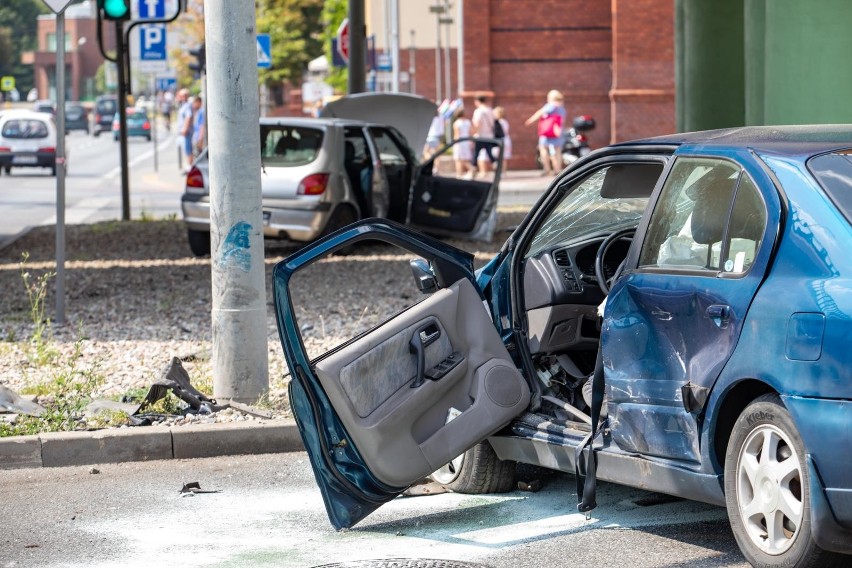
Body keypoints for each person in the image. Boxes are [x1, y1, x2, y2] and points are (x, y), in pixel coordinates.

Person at [525, 89, 567, 176]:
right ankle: (557, 169)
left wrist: (530, 120)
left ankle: (547, 169)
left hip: (547, 132)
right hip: (557, 132)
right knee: (557, 151)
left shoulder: (550, 105)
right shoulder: (562, 107)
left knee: (543, 148)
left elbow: (540, 112)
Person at [471, 95, 497, 178]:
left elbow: (477, 124)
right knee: (490, 154)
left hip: (481, 136)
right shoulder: (490, 110)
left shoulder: (478, 111)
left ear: (477, 101)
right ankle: (497, 167)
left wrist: (473, 133)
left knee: (476, 154)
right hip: (489, 136)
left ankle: (473, 171)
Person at [451, 109, 476, 179]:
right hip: (467, 141)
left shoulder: (457, 123)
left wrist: (454, 143)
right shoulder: (468, 122)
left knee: (458, 159)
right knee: (466, 158)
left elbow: (457, 135)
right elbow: (472, 132)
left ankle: (460, 173)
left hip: (460, 142)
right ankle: (469, 172)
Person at [176, 89, 194, 171]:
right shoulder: (183, 105)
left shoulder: (187, 105)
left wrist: (185, 129)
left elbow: (188, 117)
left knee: (188, 148)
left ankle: (190, 166)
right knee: (185, 148)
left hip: (186, 132)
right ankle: (188, 165)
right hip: (183, 131)